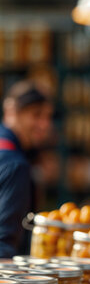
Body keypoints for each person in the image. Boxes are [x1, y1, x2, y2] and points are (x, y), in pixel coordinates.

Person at [0, 80, 53, 257]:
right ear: (11, 112)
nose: (44, 125)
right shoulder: (16, 166)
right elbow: (4, 244)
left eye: (47, 117)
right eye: (36, 115)